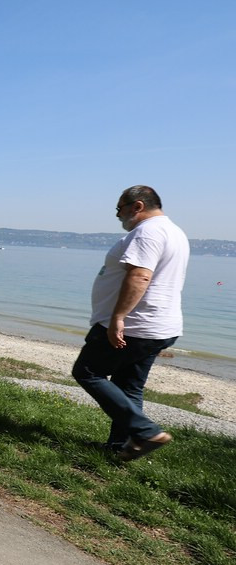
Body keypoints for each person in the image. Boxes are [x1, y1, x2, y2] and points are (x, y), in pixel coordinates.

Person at [71, 186, 188, 462]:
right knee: (129, 386)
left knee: (87, 372)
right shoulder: (174, 232)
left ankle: (145, 431)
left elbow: (139, 276)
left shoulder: (147, 232)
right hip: (158, 326)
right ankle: (122, 446)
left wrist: (117, 318)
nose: (117, 215)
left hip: (135, 324)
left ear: (137, 206)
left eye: (119, 208)